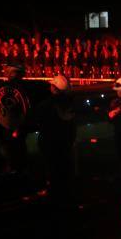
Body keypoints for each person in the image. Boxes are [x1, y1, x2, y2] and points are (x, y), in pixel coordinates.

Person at [35, 75, 76, 205]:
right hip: (66, 142)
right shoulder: (69, 102)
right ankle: (66, 194)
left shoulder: (46, 104)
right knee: (65, 168)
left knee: (52, 169)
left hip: (50, 142)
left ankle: (55, 196)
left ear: (54, 88)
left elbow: (38, 120)